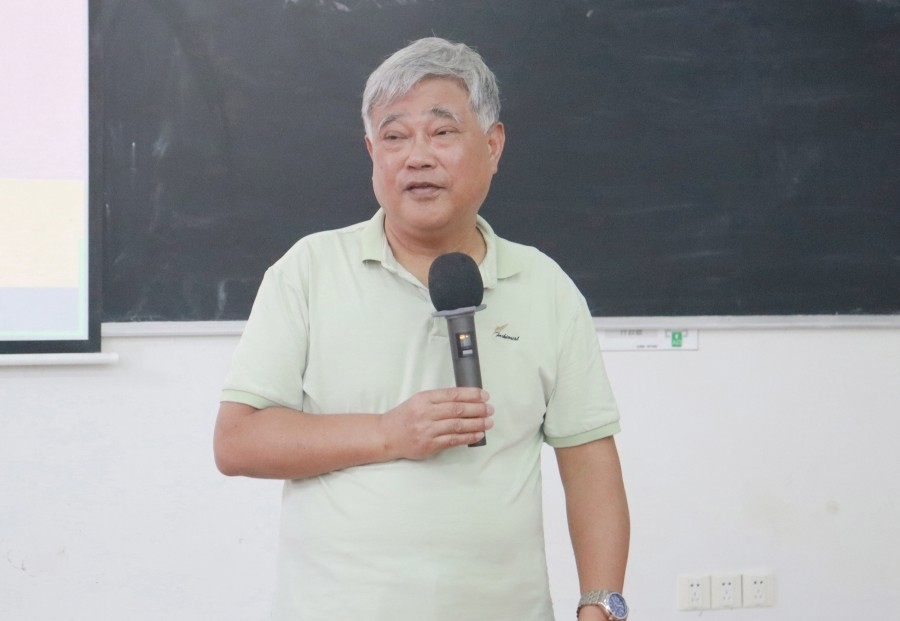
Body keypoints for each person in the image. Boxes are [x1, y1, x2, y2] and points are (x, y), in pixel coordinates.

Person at [213, 37, 629, 621]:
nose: (417, 156)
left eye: (441, 132)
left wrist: (601, 606)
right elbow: (238, 441)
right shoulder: (308, 270)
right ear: (371, 152)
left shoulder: (545, 285)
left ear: (493, 145)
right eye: (394, 136)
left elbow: (589, 461)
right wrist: (388, 432)